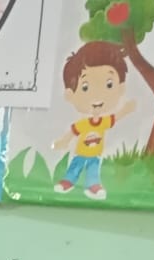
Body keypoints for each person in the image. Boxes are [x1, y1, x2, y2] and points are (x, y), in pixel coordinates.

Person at [53, 42, 139, 201]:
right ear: (70, 94)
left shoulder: (103, 121)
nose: (98, 95)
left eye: (109, 84)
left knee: (93, 170)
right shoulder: (84, 123)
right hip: (81, 153)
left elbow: (115, 118)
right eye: (85, 87)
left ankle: (92, 186)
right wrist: (63, 141)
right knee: (76, 166)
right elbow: (73, 131)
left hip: (95, 154)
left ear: (120, 88)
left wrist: (126, 110)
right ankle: (68, 181)